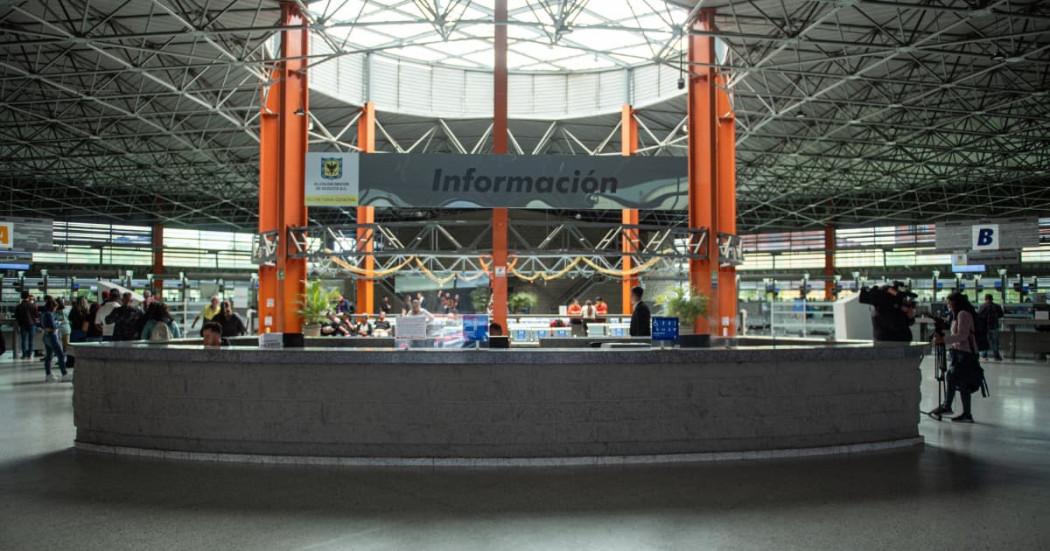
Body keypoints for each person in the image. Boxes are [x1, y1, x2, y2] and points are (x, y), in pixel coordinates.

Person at [930, 293, 984, 423]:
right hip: (959, 352)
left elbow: (962, 335)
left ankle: (951, 408)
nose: (948, 305)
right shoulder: (957, 314)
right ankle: (958, 410)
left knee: (957, 379)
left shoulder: (963, 314)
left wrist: (943, 340)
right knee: (955, 379)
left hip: (965, 354)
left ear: (955, 302)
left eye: (949, 302)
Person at [40, 297, 71, 382]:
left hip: (46, 336)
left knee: (48, 356)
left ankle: (48, 374)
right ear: (52, 307)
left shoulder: (43, 314)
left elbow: (42, 325)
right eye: (55, 307)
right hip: (52, 336)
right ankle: (64, 374)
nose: (55, 309)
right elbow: (53, 326)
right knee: (60, 355)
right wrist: (58, 323)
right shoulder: (49, 314)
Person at [977, 294, 1004, 361]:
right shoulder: (997, 306)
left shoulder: (982, 306)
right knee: (995, 342)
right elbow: (1001, 314)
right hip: (994, 326)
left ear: (985, 299)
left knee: (985, 341)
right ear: (992, 299)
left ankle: (984, 356)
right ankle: (996, 356)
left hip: (985, 327)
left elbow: (979, 315)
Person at [14, 291, 39, 360]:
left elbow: (16, 316)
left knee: (23, 340)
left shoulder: (19, 306)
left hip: (23, 324)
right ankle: (30, 355)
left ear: (21, 297)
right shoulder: (33, 305)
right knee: (31, 340)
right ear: (28, 297)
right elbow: (37, 315)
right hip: (32, 324)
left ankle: (24, 355)